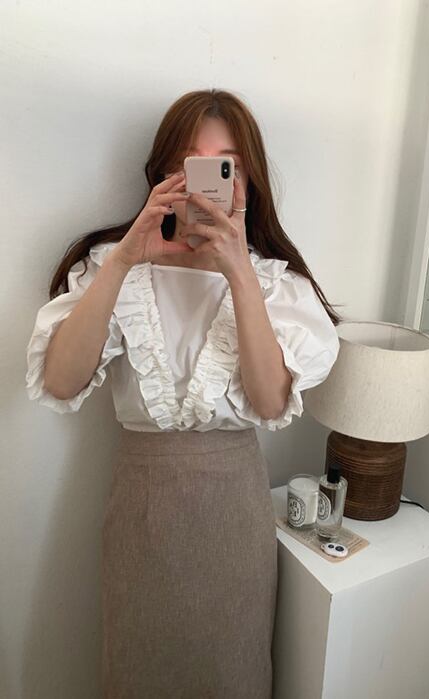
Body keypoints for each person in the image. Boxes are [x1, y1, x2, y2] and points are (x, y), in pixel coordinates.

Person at [25, 88, 344, 698]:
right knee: (134, 672)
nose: (207, 182)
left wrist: (238, 270)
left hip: (234, 517)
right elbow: (62, 381)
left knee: (232, 673)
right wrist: (126, 258)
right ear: (164, 173)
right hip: (139, 514)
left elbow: (271, 403)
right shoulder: (114, 265)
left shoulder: (273, 283)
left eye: (227, 166)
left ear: (247, 182)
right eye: (191, 162)